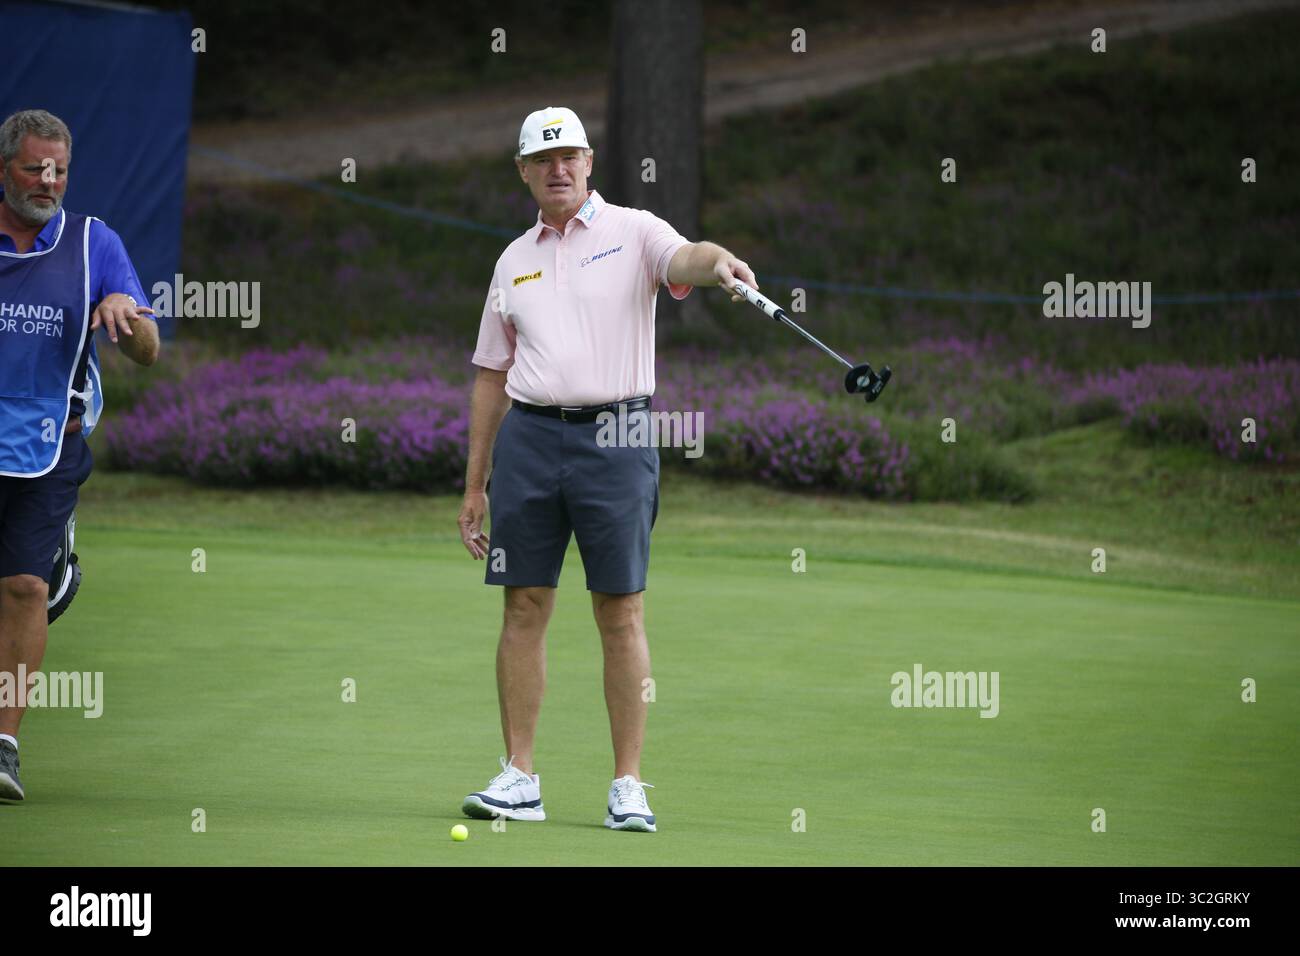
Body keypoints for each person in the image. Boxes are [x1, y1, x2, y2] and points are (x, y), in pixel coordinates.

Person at [457, 106, 757, 832]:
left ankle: (628, 784)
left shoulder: (635, 230)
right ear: (525, 172)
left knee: (619, 610)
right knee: (523, 605)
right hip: (529, 438)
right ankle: (519, 777)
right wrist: (474, 483)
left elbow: (684, 258)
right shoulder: (512, 259)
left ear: (590, 162)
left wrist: (717, 264)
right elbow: (491, 376)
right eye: (544, 158)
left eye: (571, 155)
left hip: (619, 434)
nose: (559, 168)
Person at [0, 110, 160, 802]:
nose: (48, 181)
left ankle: (3, 746)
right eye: (35, 167)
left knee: (26, 587)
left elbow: (150, 348)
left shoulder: (95, 243)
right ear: (5, 166)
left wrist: (126, 315)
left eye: (59, 169)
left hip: (48, 446)